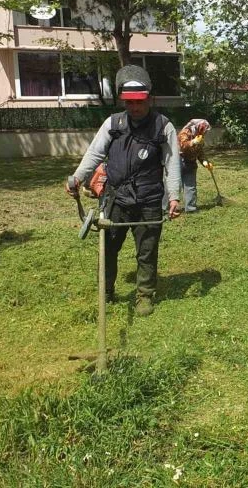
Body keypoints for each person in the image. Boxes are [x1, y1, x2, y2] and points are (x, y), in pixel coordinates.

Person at [65, 65, 181, 317]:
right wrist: (77, 178)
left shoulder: (164, 126)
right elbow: (94, 153)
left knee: (147, 252)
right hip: (115, 199)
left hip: (148, 200)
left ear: (149, 99)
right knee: (107, 248)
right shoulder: (113, 123)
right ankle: (105, 291)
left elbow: (172, 164)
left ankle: (144, 295)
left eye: (139, 102)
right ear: (123, 101)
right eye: (129, 103)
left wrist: (173, 197)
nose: (135, 108)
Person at [165, 118, 212, 213]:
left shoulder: (200, 136)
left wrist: (205, 162)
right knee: (172, 185)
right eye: (204, 130)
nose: (205, 132)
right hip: (179, 161)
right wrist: (193, 142)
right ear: (199, 127)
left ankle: (190, 208)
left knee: (190, 186)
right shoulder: (185, 132)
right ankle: (164, 207)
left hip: (191, 162)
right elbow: (183, 146)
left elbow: (199, 152)